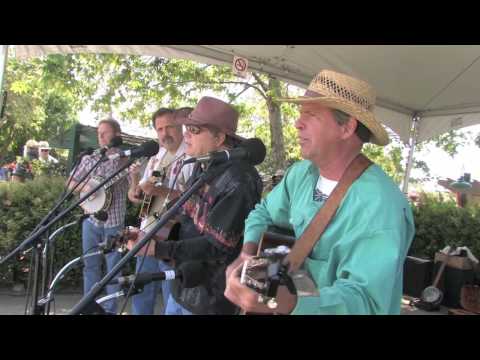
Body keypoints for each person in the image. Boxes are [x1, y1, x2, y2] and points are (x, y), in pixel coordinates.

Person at [224, 69, 415, 315]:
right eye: (300, 113)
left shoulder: (380, 205)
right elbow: (263, 213)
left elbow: (367, 302)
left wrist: (290, 303)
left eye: (311, 114)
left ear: (346, 127)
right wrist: (247, 254)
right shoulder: (300, 174)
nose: (297, 122)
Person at [127, 97, 263, 315]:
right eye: (186, 127)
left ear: (219, 137)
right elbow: (188, 217)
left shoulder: (240, 179)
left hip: (210, 298)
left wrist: (158, 248)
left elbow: (217, 246)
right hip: (185, 284)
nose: (186, 134)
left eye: (193, 129)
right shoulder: (206, 163)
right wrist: (151, 235)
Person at [127, 107, 194, 315]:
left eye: (170, 127)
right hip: (148, 231)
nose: (165, 133)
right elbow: (143, 199)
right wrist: (135, 185)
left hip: (173, 236)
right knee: (141, 291)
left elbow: (193, 199)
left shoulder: (191, 153)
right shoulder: (157, 156)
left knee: (171, 294)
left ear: (181, 127)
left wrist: (160, 190)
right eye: (160, 129)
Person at [67, 118, 129, 314]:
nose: (100, 137)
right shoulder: (90, 158)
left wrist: (134, 174)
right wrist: (87, 189)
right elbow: (70, 182)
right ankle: (88, 307)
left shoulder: (126, 159)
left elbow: (134, 192)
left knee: (113, 270)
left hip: (115, 221)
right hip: (91, 220)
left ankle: (109, 310)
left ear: (117, 135)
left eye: (105, 132)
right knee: (90, 266)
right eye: (98, 133)